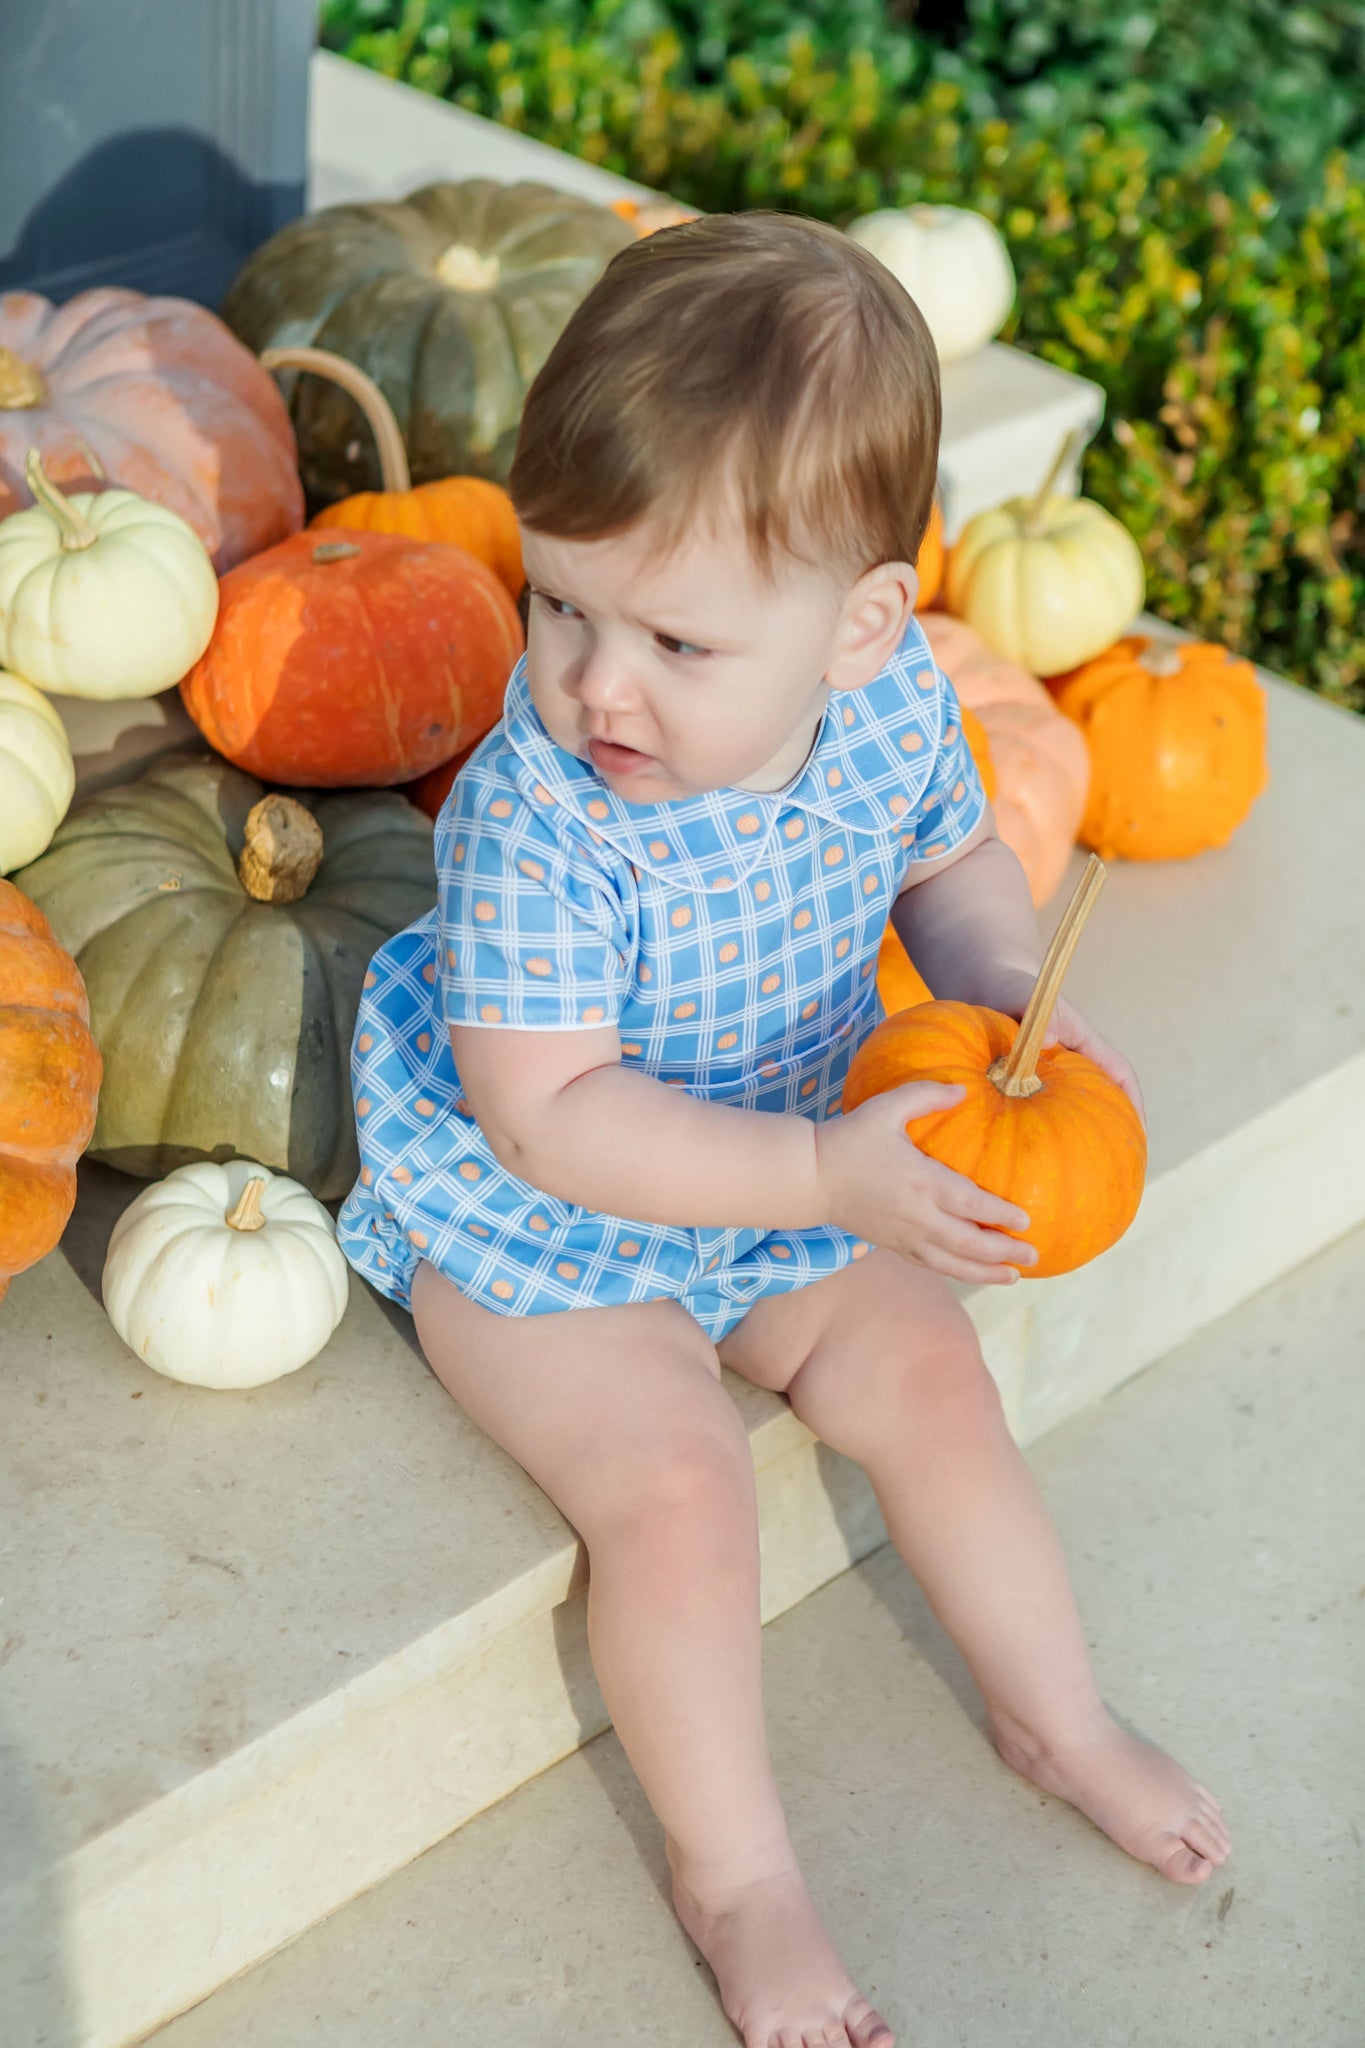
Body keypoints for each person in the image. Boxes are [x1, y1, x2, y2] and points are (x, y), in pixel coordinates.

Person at [337, 211, 1229, 2048]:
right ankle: (734, 1872)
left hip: (782, 1144)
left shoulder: (888, 703)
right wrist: (825, 1177)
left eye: (672, 635)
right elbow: (549, 1115)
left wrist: (1004, 1020)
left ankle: (1049, 1707)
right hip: (547, 1220)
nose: (595, 681)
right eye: (561, 600)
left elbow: (954, 870)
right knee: (675, 1492)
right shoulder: (542, 813)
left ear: (861, 627)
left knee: (930, 1379)